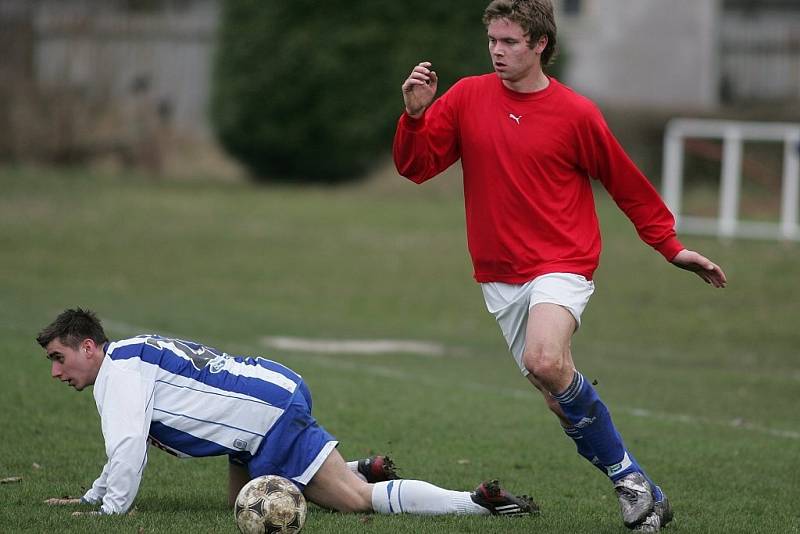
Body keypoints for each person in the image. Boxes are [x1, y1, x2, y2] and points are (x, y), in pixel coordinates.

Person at [393, 0, 727, 531]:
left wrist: (669, 245)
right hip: (498, 276)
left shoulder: (577, 114)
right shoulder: (467, 97)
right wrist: (414, 116)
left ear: (540, 44)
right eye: (492, 42)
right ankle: (643, 487)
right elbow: (416, 168)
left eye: (510, 42)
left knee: (546, 362)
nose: (498, 52)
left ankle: (628, 485)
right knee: (560, 398)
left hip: (561, 263)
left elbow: (625, 184)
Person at [37, 308, 537, 519]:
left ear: (88, 346)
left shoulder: (118, 375)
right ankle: (358, 464)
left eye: (59, 358)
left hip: (264, 414)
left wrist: (105, 511)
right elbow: (124, 447)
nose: (57, 373)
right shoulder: (128, 354)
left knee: (355, 502)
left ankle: (476, 502)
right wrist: (90, 495)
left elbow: (126, 449)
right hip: (257, 405)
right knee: (243, 505)